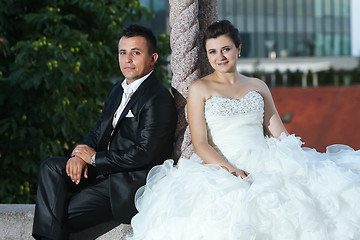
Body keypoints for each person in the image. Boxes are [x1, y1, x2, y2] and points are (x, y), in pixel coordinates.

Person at [128, 20, 360, 239]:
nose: (220, 57)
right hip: (221, 165)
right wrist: (230, 170)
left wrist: (302, 162)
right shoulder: (199, 88)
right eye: (212, 52)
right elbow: (200, 143)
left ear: (239, 48)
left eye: (226, 49)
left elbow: (278, 132)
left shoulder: (257, 85)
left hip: (264, 159)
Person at [32, 24, 177, 240]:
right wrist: (79, 156)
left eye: (135, 53)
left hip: (127, 183)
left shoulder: (158, 98)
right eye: (122, 53)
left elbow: (145, 153)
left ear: (152, 59)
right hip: (103, 171)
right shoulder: (117, 90)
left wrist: (94, 158)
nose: (127, 59)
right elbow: (98, 131)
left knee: (59, 215)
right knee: (51, 167)